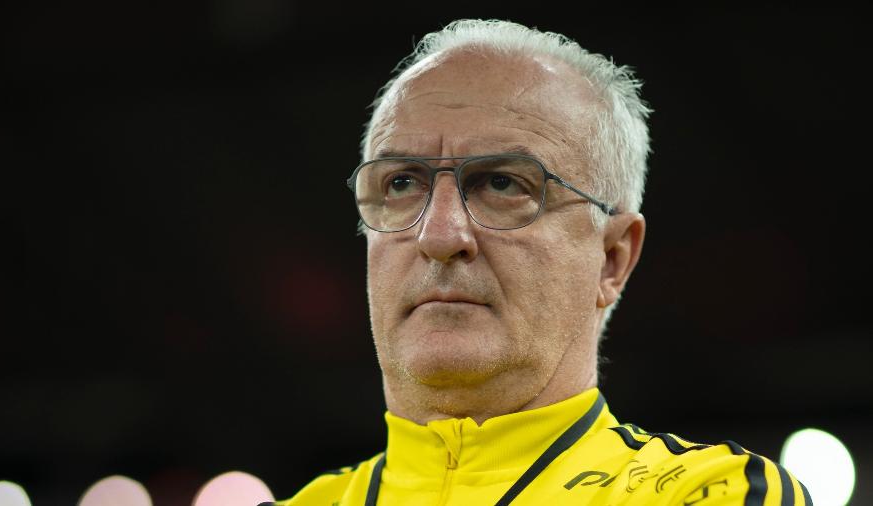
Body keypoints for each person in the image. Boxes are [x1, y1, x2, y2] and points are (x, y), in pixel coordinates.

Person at [272, 19, 811, 506]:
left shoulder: (713, 493)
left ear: (611, 259)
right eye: (402, 183)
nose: (438, 235)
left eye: (502, 183)